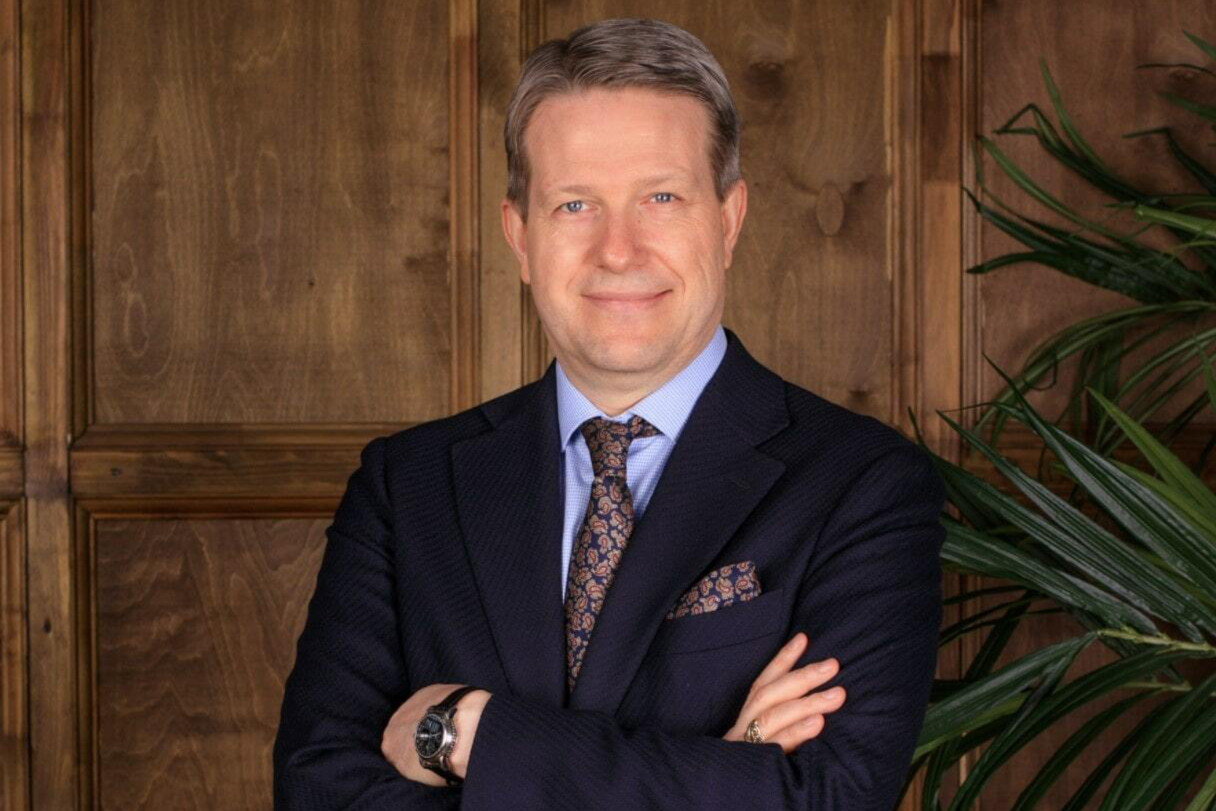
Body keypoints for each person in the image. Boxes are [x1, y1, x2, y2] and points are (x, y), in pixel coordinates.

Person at [273, 17, 945, 810]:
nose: (619, 250)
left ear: (728, 219)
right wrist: (726, 771)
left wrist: (470, 733)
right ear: (519, 235)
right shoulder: (405, 486)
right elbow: (317, 788)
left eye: (661, 197)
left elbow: (828, 798)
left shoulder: (863, 485)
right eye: (574, 204)